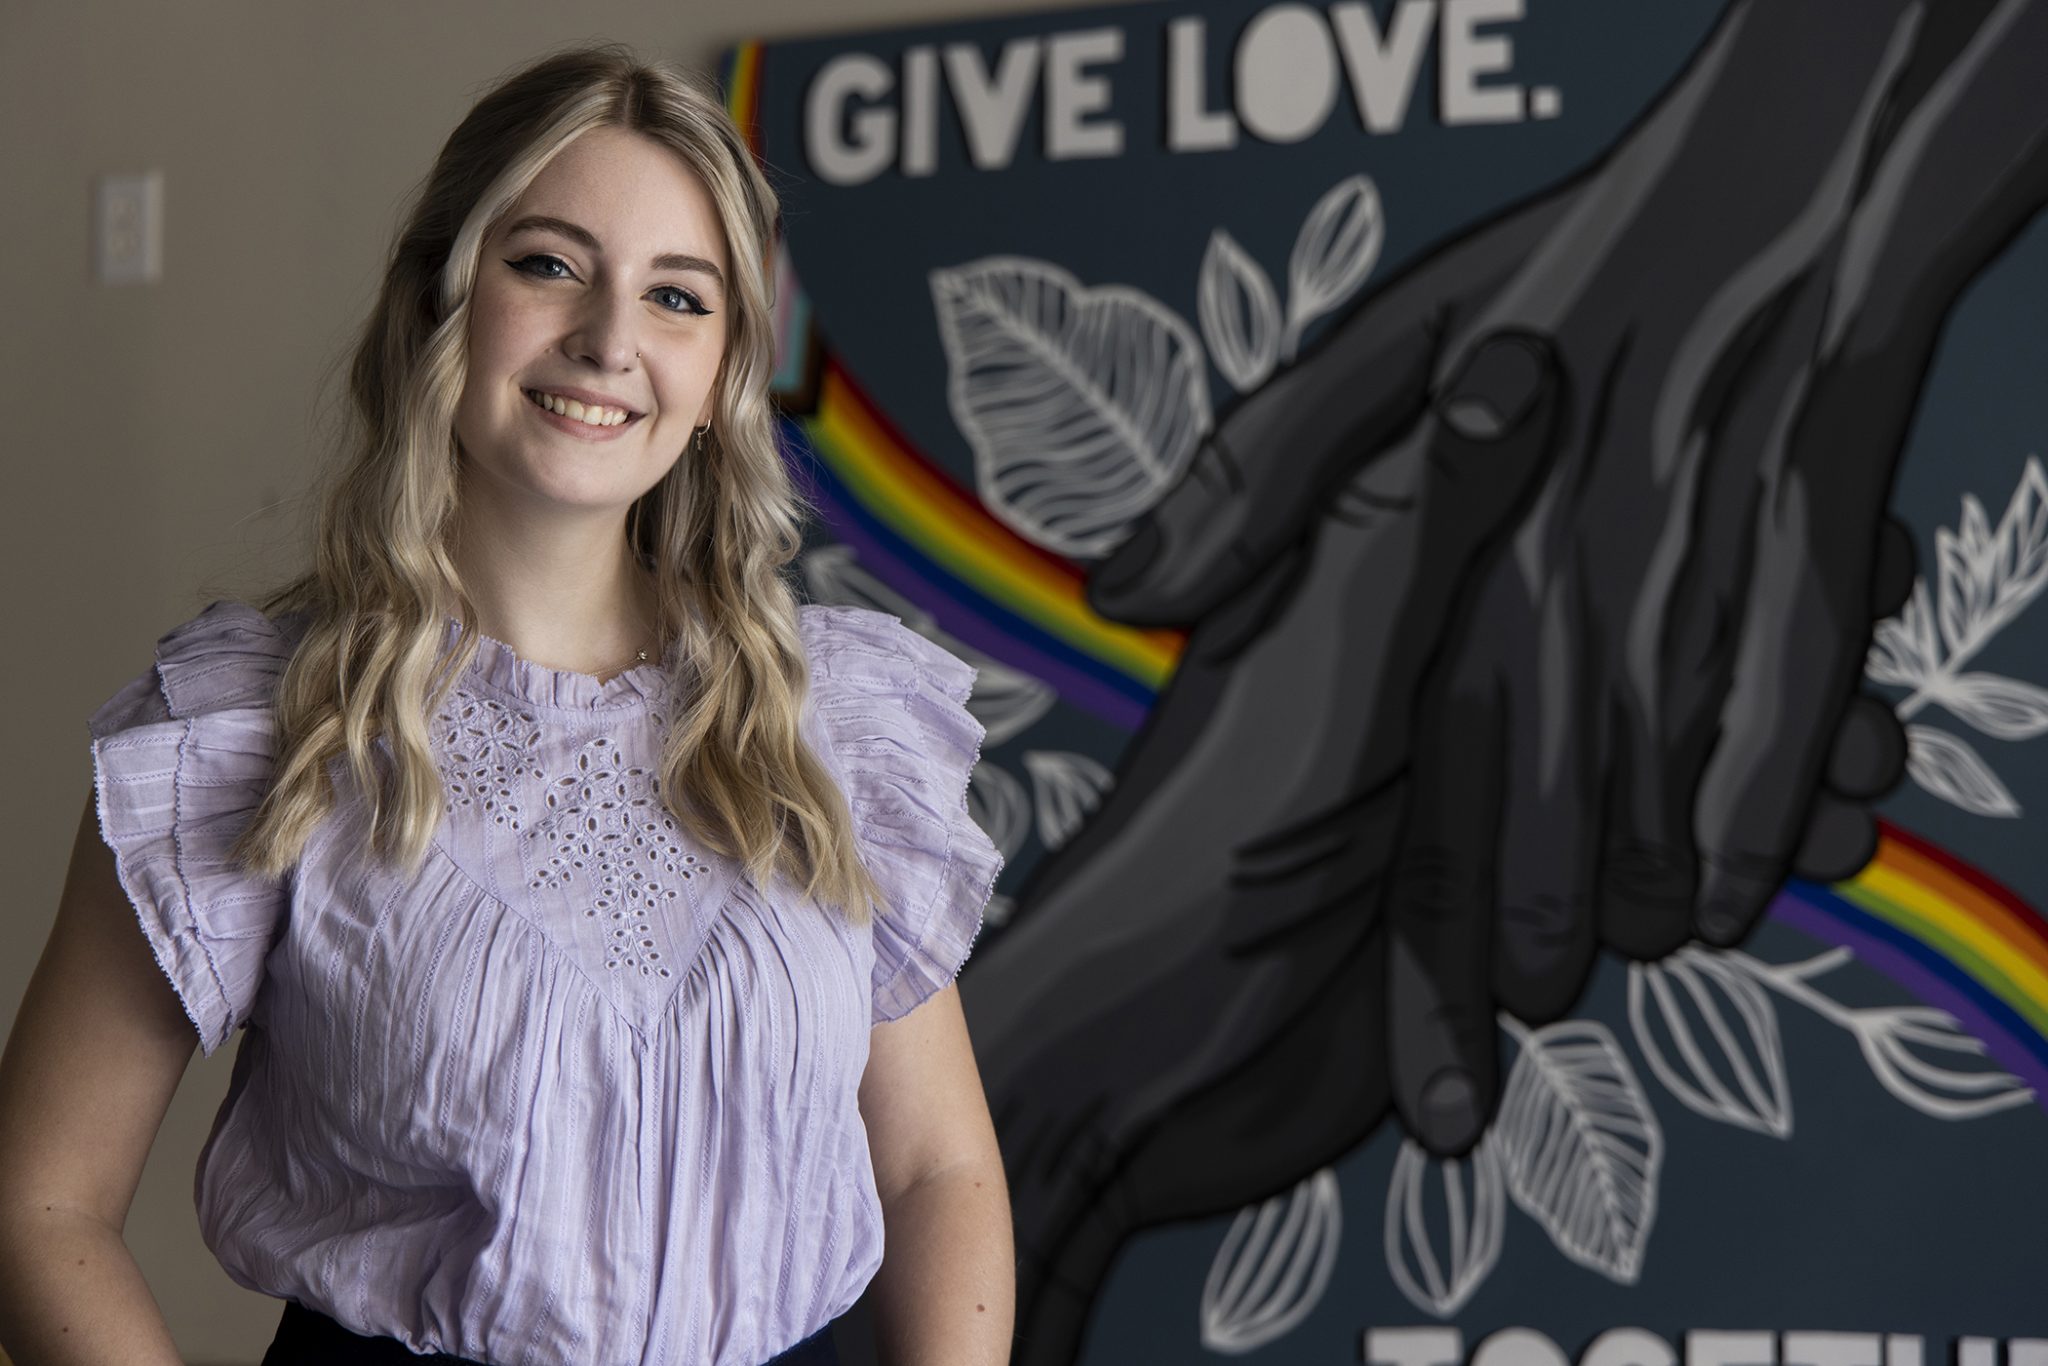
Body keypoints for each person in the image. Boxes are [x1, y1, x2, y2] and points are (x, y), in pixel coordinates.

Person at [0, 46, 1013, 1366]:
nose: (608, 340)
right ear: (439, 296)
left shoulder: (830, 722)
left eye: (678, 297)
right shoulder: (254, 723)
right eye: (549, 265)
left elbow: (941, 1168)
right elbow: (39, 1198)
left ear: (722, 379)